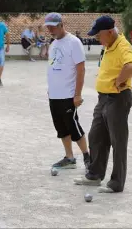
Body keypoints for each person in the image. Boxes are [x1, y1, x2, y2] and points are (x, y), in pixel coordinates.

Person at [74, 15, 132, 193]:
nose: (96, 39)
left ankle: (116, 183)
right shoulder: (109, 45)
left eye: (98, 35)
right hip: (103, 99)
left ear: (110, 32)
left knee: (118, 141)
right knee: (96, 136)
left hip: (118, 98)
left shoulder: (123, 45)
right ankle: (94, 175)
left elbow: (131, 66)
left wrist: (118, 82)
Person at [44, 13, 90, 171]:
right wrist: (50, 89)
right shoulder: (53, 44)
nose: (50, 29)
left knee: (73, 126)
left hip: (68, 94)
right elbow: (53, 68)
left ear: (61, 24)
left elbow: (81, 69)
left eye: (53, 26)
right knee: (61, 128)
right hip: (54, 95)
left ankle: (87, 156)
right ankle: (69, 157)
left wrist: (77, 94)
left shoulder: (74, 42)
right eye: (48, 27)